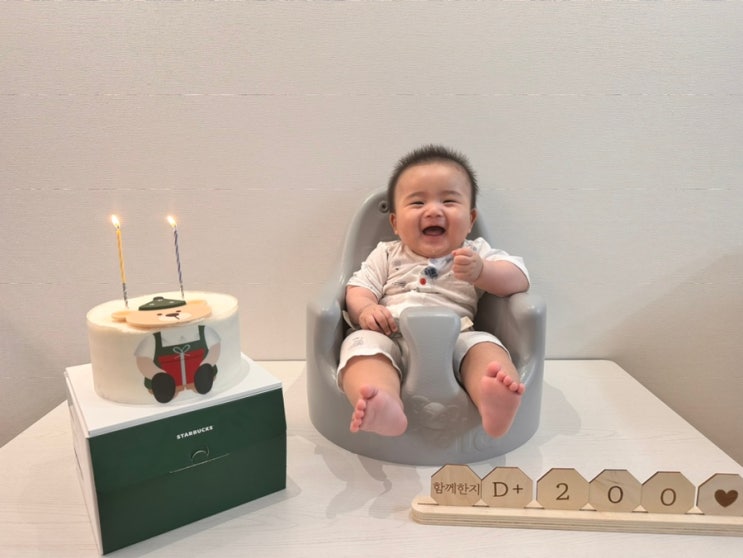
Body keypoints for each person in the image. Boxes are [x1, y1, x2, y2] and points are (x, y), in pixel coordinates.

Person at [336, 145, 530, 439]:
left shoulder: (474, 252)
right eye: (417, 203)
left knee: (486, 349)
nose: (433, 210)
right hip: (390, 334)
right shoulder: (386, 253)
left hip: (456, 337)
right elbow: (359, 288)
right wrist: (366, 309)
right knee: (361, 349)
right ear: (395, 223)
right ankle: (382, 401)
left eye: (449, 201)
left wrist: (483, 272)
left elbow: (519, 278)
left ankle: (493, 397)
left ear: (470, 219)